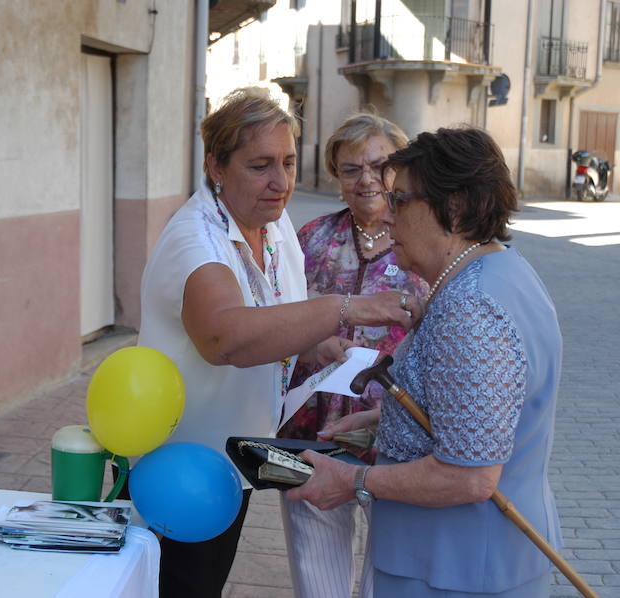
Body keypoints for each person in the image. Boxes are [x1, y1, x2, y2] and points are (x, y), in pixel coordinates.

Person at [136, 87, 422, 598]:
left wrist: (313, 347)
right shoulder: (196, 239)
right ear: (215, 167)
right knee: (183, 585)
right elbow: (225, 338)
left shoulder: (271, 222)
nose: (281, 182)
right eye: (260, 165)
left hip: (235, 457)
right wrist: (345, 309)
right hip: (186, 465)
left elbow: (271, 318)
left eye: (289, 162)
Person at [287, 126, 564, 597]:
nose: (388, 216)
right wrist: (391, 418)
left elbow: (470, 476)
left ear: (452, 208)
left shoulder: (472, 307)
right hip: (460, 560)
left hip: (458, 568)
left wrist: (352, 480)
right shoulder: (497, 271)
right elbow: (472, 416)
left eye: (401, 201)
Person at [277, 114, 428, 598]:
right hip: (312, 430)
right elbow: (277, 319)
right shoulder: (310, 238)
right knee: (316, 571)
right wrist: (309, 342)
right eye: (350, 169)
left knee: (389, 574)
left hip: (394, 435)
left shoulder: (423, 242)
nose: (366, 179)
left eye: (380, 166)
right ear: (335, 177)